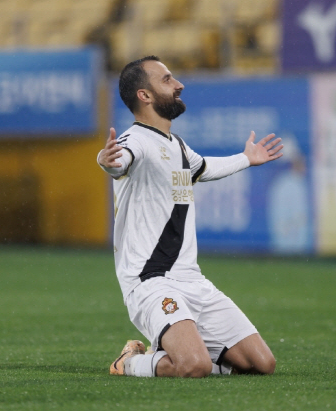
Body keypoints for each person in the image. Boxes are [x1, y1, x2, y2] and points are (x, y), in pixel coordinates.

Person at [97, 56, 282, 378]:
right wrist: (107, 162)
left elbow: (203, 169)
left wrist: (246, 159)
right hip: (150, 279)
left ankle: (171, 349)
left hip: (191, 279)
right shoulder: (134, 140)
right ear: (145, 95)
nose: (179, 84)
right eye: (167, 79)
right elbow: (119, 162)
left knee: (261, 364)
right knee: (193, 366)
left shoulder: (176, 145)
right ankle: (128, 362)